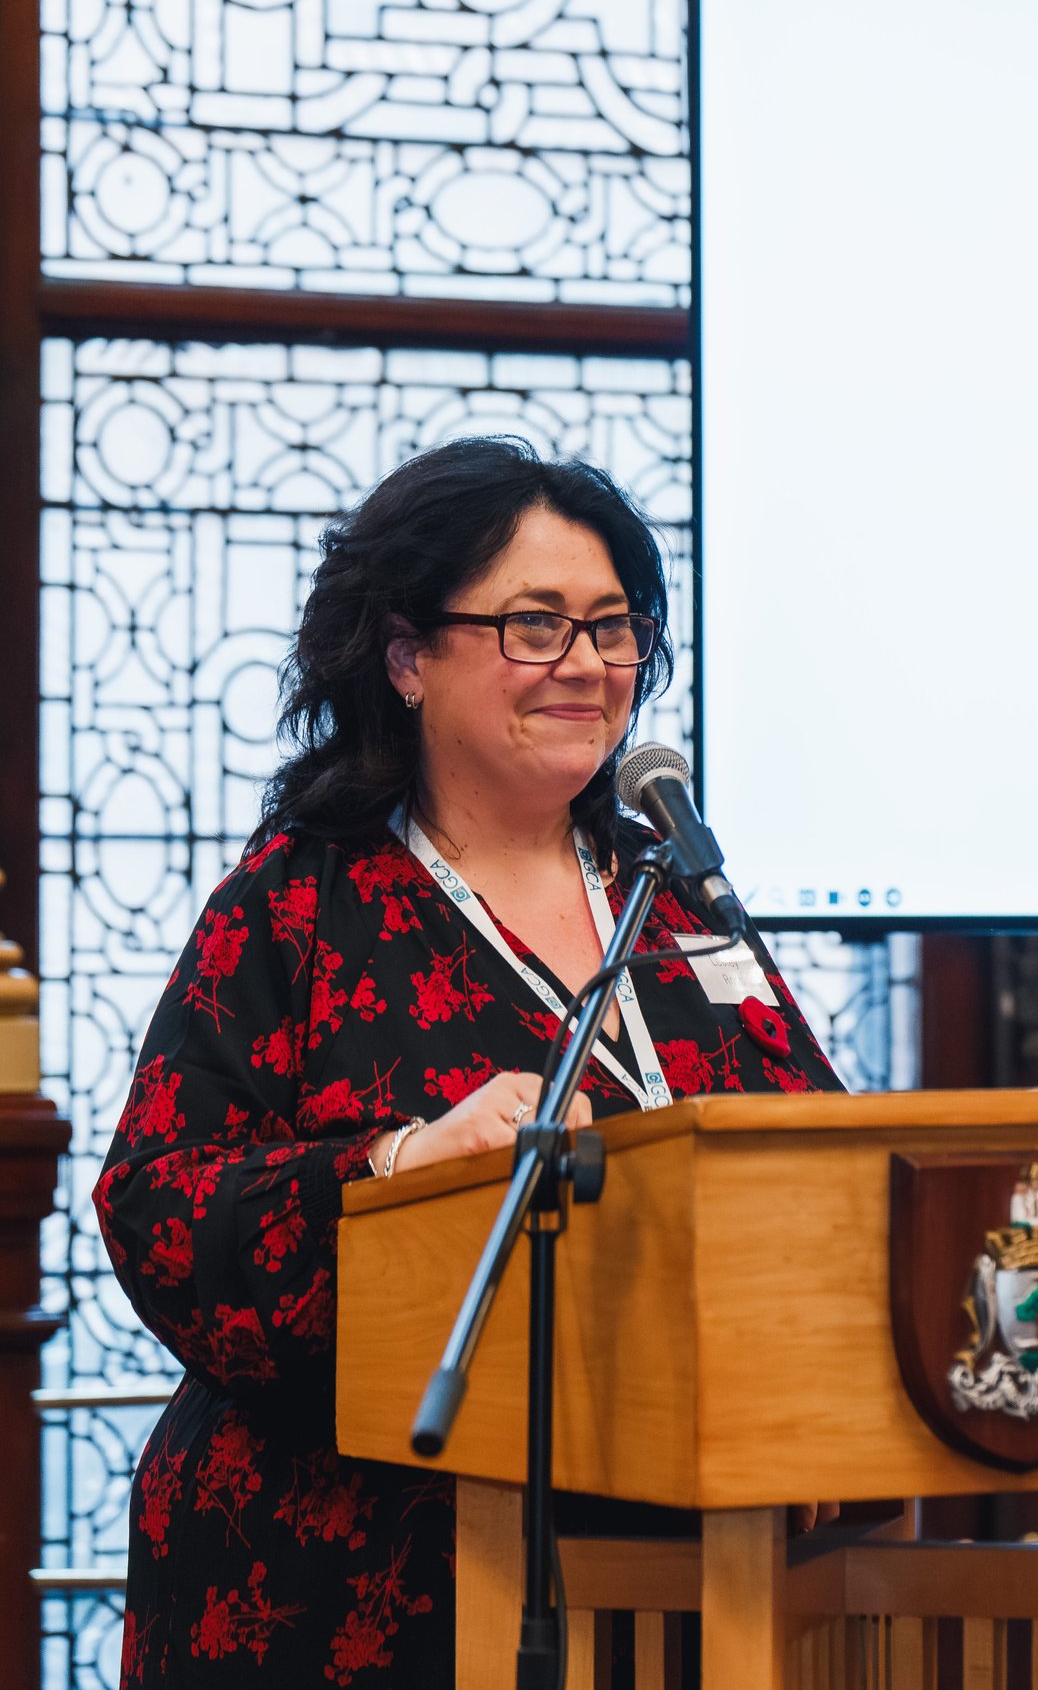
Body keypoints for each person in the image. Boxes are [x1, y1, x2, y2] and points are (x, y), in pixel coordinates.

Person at [93, 436, 847, 1684]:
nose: (589, 667)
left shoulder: (674, 896)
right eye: (536, 626)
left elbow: (818, 1163)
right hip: (347, 1583)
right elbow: (160, 1207)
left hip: (674, 1578)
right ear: (405, 656)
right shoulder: (297, 905)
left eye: (614, 629)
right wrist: (396, 1170)